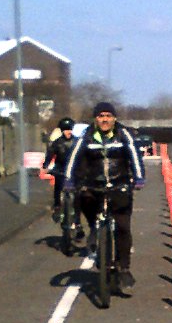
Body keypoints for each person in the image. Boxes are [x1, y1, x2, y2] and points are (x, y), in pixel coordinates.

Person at [62, 101, 145, 291]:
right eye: (101, 116)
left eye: (108, 116)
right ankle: (95, 229)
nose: (104, 119)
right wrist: (69, 180)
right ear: (95, 118)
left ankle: (123, 267)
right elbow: (73, 158)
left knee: (123, 227)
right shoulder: (87, 136)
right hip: (94, 185)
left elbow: (134, 155)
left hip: (119, 184)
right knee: (86, 202)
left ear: (114, 118)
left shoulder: (123, 134)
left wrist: (139, 177)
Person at [42, 117, 82, 236]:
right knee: (58, 187)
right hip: (61, 170)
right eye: (65, 129)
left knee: (78, 196)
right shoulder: (57, 143)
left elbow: (83, 157)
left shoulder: (77, 142)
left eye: (69, 129)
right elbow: (50, 155)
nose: (67, 131)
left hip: (75, 171)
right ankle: (57, 206)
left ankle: (78, 223)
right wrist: (45, 167)